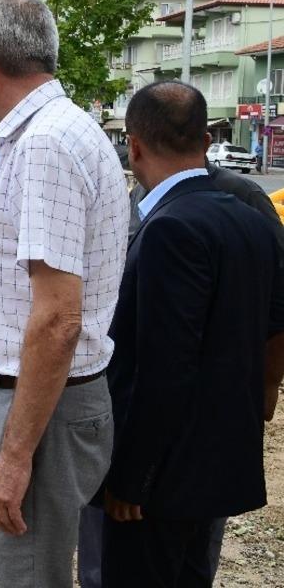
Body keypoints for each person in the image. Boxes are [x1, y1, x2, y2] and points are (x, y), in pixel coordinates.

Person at [0, 0, 128, 588]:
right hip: (37, 402)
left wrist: (13, 455)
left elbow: (58, 319)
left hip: (32, 409)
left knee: (24, 579)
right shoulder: (58, 130)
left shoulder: (45, 145)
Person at [78, 92, 284, 588]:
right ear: (206, 140)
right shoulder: (251, 219)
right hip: (217, 462)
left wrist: (131, 478)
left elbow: (163, 371)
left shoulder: (170, 228)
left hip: (160, 482)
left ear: (134, 146)